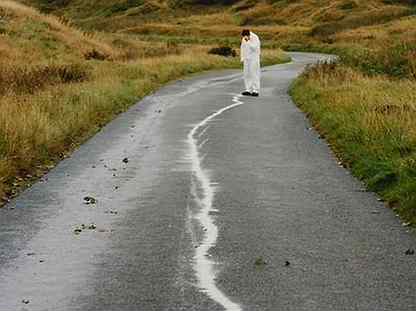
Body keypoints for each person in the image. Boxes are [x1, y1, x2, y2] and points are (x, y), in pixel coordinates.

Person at [240, 29, 261, 97]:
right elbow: (242, 47)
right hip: (247, 59)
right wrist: (242, 57)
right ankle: (248, 89)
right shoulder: (244, 38)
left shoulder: (255, 37)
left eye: (246, 36)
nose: (244, 38)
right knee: (246, 74)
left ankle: (255, 90)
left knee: (254, 73)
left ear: (249, 34)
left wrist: (248, 41)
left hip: (254, 58)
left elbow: (255, 48)